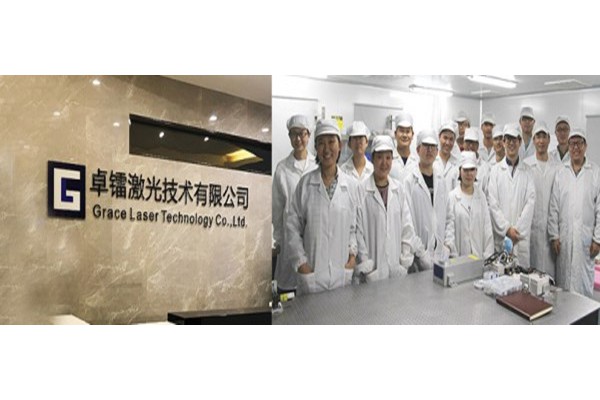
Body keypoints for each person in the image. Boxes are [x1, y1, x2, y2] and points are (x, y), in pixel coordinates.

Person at [286, 119, 360, 294]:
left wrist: (352, 257)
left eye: (331, 142)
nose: (327, 149)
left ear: (340, 146)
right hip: (312, 276)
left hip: (341, 275)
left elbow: (353, 228)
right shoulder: (305, 184)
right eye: (321, 143)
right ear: (316, 149)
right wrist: (302, 264)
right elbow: (292, 228)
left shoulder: (351, 186)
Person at [356, 135, 430, 281]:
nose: (384, 163)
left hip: (397, 271)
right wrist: (366, 265)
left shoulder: (399, 189)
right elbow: (358, 233)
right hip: (372, 272)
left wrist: (405, 262)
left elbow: (407, 229)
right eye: (379, 157)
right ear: (372, 159)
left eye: (388, 158)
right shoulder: (361, 190)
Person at [548, 128, 600, 298]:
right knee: (563, 288)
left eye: (579, 143)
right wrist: (554, 235)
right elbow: (554, 206)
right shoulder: (561, 172)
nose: (575, 147)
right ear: (568, 146)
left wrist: (597, 239)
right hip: (564, 239)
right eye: (572, 144)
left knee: (583, 289)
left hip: (586, 240)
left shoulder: (595, 173)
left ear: (585, 146)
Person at [272, 115, 317, 292]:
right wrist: (278, 240)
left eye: (302, 134)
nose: (298, 139)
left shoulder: (317, 166)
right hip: (289, 240)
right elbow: (277, 209)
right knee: (289, 292)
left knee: (312, 291)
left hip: (313, 238)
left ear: (309, 135)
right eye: (293, 134)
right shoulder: (282, 168)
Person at [487, 125, 536, 268]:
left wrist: (516, 231)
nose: (511, 143)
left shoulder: (528, 172)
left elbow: (530, 204)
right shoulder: (495, 171)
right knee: (501, 277)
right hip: (502, 238)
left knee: (521, 279)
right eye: (508, 140)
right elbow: (493, 205)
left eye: (514, 140)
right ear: (503, 142)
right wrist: (507, 229)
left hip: (520, 239)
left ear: (520, 142)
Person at [404, 130, 449, 267]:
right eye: (425, 146)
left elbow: (448, 215)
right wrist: (421, 253)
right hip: (418, 257)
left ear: (437, 151)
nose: (429, 150)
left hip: (440, 255)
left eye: (432, 147)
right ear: (418, 150)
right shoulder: (409, 181)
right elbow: (407, 222)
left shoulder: (441, 180)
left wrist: (447, 245)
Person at [524, 122, 561, 277]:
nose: (541, 141)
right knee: (531, 277)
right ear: (533, 140)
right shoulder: (526, 165)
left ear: (549, 139)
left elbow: (558, 201)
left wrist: (555, 233)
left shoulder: (557, 167)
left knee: (550, 278)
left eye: (543, 137)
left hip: (550, 232)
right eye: (537, 137)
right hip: (531, 230)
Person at [445, 151, 494, 259]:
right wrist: (453, 255)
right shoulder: (452, 197)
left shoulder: (481, 196)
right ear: (460, 171)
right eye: (465, 170)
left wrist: (487, 257)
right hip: (458, 259)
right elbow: (449, 231)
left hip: (479, 259)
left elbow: (487, 229)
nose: (469, 174)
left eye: (472, 169)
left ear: (476, 171)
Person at [390, 111, 419, 181]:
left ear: (412, 135)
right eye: (401, 131)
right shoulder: (388, 160)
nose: (405, 135)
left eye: (408, 131)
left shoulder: (418, 162)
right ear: (395, 134)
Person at [433, 121, 460, 193]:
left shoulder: (457, 164)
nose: (447, 143)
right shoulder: (432, 161)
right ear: (439, 137)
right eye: (445, 138)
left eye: (451, 139)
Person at [462, 127, 491, 193]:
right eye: (468, 142)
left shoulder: (485, 167)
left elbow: (487, 192)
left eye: (473, 143)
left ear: (478, 145)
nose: (470, 146)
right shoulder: (457, 164)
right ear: (463, 144)